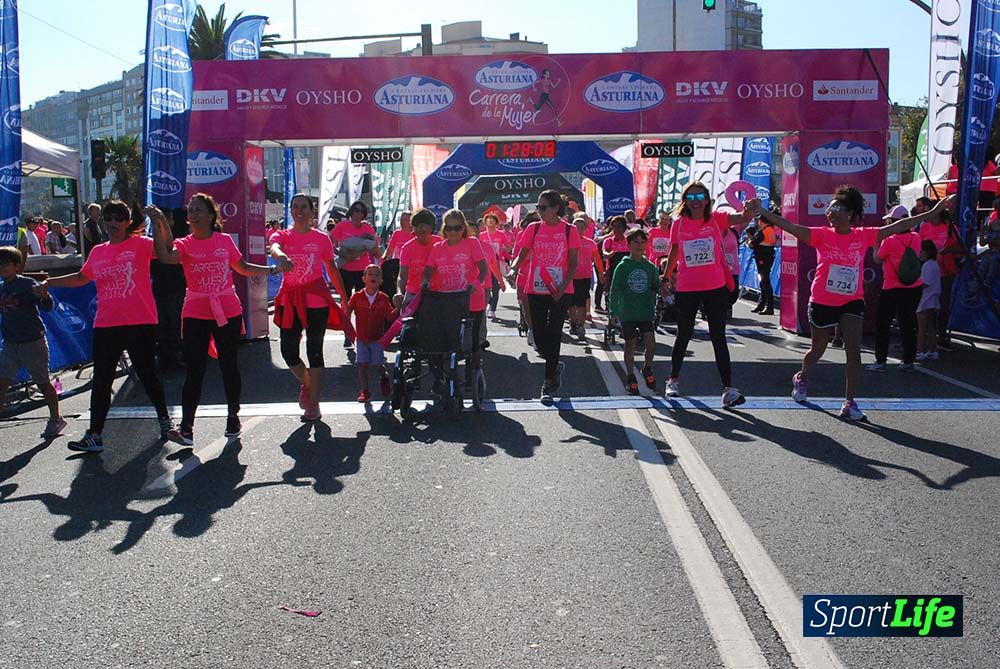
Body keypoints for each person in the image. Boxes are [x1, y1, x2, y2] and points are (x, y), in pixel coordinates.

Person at [748, 188, 953, 422]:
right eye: (829, 208)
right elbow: (790, 227)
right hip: (823, 300)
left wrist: (934, 212)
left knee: (853, 352)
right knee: (818, 349)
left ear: (850, 213)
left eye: (837, 208)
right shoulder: (821, 235)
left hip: (851, 300)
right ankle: (802, 377)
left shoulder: (863, 235)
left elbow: (897, 227)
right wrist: (762, 211)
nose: (831, 212)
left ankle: (849, 402)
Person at [42, 200, 182, 452]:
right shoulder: (98, 251)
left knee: (148, 374)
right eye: (109, 218)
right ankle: (95, 434)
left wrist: (160, 220)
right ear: (103, 222)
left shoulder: (140, 244)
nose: (114, 223)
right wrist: (49, 282)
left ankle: (165, 421)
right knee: (102, 380)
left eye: (119, 218)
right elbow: (80, 278)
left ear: (128, 222)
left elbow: (168, 248)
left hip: (140, 321)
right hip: (107, 324)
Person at [148, 195, 277, 444]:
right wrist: (159, 223)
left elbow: (243, 267)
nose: (194, 215)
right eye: (191, 211)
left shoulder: (224, 241)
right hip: (196, 311)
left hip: (226, 310)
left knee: (229, 365)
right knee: (195, 369)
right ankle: (186, 428)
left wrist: (271, 269)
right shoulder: (185, 244)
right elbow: (164, 255)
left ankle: (232, 416)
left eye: (199, 211)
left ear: (211, 216)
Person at [662, 182, 753, 407]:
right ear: (685, 200)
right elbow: (674, 251)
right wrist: (665, 278)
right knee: (684, 333)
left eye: (700, 196)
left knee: (718, 336)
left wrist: (751, 208)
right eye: (691, 196)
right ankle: (673, 380)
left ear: (707, 199)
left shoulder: (717, 218)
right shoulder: (679, 224)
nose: (696, 200)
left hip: (715, 285)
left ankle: (728, 390)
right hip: (687, 286)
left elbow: (742, 218)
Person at [269, 193, 349, 422]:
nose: (299, 211)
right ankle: (308, 384)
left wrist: (343, 298)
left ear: (312, 211)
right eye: (295, 207)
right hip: (290, 299)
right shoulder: (283, 235)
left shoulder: (321, 239)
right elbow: (274, 246)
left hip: (316, 300)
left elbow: (332, 269)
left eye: (304, 207)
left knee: (315, 351)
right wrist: (281, 255)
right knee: (288, 351)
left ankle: (313, 402)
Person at [509, 189, 581, 401]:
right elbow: (521, 254)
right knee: (538, 336)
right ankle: (554, 363)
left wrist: (564, 285)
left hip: (560, 290)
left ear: (556, 208)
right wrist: (514, 269)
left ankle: (549, 382)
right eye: (537, 207)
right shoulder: (533, 228)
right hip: (536, 288)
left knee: (554, 333)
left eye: (543, 207)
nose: (538, 211)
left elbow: (574, 262)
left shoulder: (569, 231)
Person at [420, 209, 488, 402]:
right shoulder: (438, 248)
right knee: (445, 344)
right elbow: (428, 270)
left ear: (463, 228)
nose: (453, 232)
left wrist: (475, 284)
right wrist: (425, 282)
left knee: (472, 344)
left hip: (471, 301)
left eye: (457, 228)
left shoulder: (472, 243)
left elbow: (483, 269)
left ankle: (472, 373)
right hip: (447, 302)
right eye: (449, 228)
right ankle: (444, 378)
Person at [0, 246, 65, 438]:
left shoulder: (27, 284)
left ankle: (56, 418)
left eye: (6, 264)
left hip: (33, 342)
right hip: (11, 343)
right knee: (2, 383)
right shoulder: (2, 288)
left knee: (43, 382)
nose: (2, 268)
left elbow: (47, 306)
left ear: (16, 265)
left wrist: (45, 296)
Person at [869, 204, 924, 372]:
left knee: (883, 324)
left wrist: (875, 245)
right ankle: (908, 361)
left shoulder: (889, 241)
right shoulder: (916, 237)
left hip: (892, 287)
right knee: (908, 323)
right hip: (914, 286)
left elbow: (877, 260)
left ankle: (880, 361)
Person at [609, 229, 660, 395]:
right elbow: (615, 289)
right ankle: (630, 376)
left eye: (642, 242)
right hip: (628, 312)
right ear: (629, 244)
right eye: (636, 242)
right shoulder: (622, 267)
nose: (639, 245)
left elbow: (656, 285)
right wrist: (613, 311)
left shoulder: (650, 267)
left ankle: (647, 368)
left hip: (645, 311)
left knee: (650, 345)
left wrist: (665, 289)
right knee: (630, 344)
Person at [330, 200, 379, 348]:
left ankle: (362, 334)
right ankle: (348, 333)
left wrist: (366, 247)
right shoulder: (342, 226)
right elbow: (331, 244)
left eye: (361, 211)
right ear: (351, 212)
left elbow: (375, 248)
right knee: (346, 302)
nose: (358, 213)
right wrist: (342, 255)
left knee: (362, 303)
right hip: (345, 268)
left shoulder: (367, 229)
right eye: (356, 210)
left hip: (362, 270)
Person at [346, 264, 397, 402]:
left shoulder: (383, 298)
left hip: (377, 339)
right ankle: (365, 391)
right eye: (370, 274)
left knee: (377, 364)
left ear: (381, 280)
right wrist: (347, 328)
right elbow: (347, 313)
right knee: (361, 365)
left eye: (376, 275)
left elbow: (390, 317)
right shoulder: (357, 297)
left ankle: (384, 377)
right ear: (364, 278)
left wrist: (399, 307)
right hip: (361, 338)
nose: (373, 277)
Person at [919, 206, 963, 350]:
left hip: (945, 272)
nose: (930, 216)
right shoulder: (924, 226)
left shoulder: (951, 227)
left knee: (942, 306)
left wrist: (947, 251)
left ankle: (941, 336)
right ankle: (926, 338)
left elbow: (962, 248)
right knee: (926, 307)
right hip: (926, 272)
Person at [150, 207, 188, 372]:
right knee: (166, 324)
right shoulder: (151, 241)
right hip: (163, 287)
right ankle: (166, 358)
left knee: (172, 324)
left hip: (174, 286)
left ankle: (172, 357)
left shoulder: (180, 241)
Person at [569, 212, 605, 339]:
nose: (578, 230)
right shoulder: (567, 242)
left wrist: (601, 272)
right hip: (570, 277)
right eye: (575, 227)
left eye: (581, 227)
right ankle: (573, 322)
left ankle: (580, 325)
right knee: (571, 303)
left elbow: (598, 260)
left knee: (582, 302)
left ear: (585, 229)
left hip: (585, 277)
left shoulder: (590, 243)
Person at [480, 213, 511, 320]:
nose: (490, 221)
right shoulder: (481, 235)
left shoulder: (501, 234)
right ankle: (490, 302)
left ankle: (492, 310)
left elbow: (508, 247)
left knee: (496, 287)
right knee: (486, 288)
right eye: (488, 220)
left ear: (496, 222)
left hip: (497, 262)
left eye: (492, 220)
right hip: (485, 265)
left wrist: (502, 249)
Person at [916, 240, 941, 361]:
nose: (919, 254)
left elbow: (925, 283)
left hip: (926, 299)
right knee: (931, 328)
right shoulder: (934, 264)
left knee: (922, 328)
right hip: (933, 299)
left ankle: (920, 350)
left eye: (921, 251)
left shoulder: (927, 266)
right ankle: (932, 350)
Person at [380, 211, 413, 298]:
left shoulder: (415, 235)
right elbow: (389, 250)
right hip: (397, 265)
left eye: (405, 220)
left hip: (411, 266)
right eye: (401, 219)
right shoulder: (397, 233)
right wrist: (383, 261)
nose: (402, 222)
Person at [749, 216, 777, 314]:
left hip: (762, 259)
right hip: (768, 257)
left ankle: (768, 306)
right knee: (764, 282)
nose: (759, 222)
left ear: (762, 221)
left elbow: (753, 243)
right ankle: (762, 305)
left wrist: (750, 242)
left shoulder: (763, 231)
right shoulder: (771, 230)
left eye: (759, 221)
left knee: (765, 282)